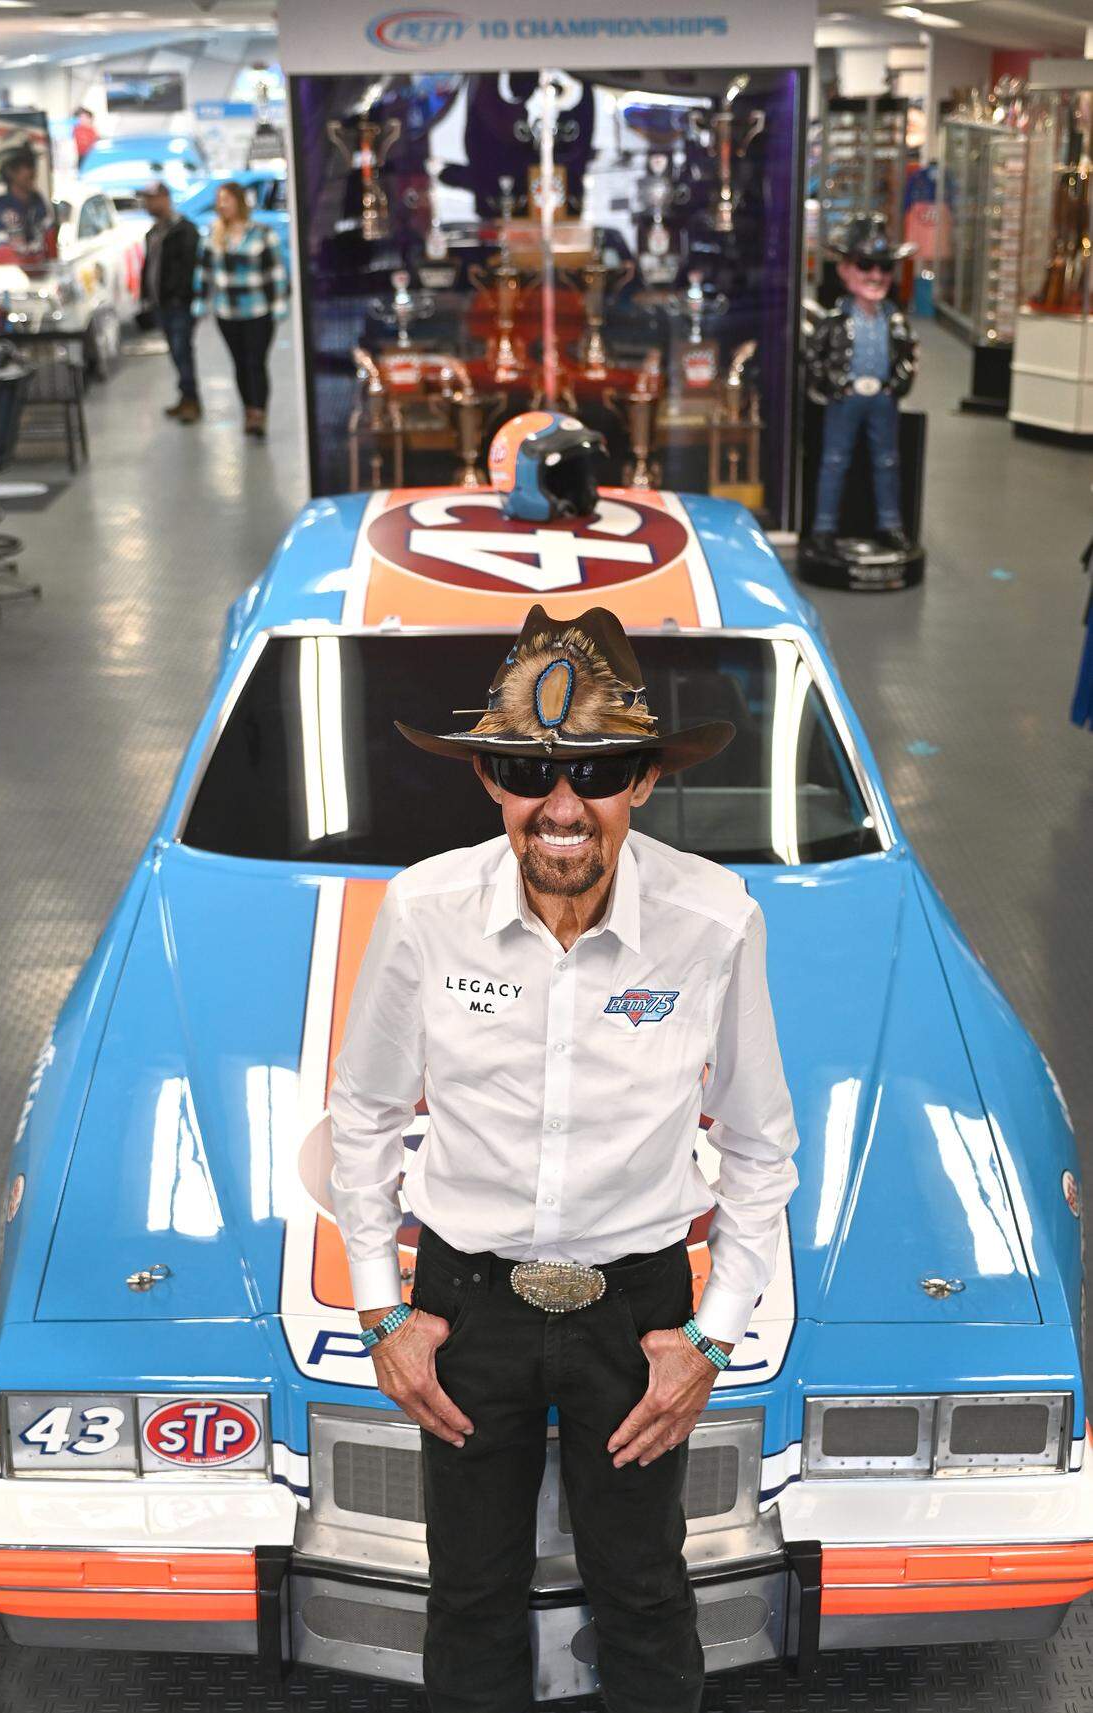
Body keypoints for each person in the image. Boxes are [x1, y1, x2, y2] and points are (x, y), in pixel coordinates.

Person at [325, 424, 800, 1713]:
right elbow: (364, 1115)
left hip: (635, 1308)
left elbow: (759, 1145)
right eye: (533, 775)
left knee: (647, 1600)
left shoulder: (716, 924)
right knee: (468, 1601)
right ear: (490, 777)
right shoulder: (422, 912)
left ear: (644, 778)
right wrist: (383, 1307)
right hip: (464, 1304)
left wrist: (710, 1332)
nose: (563, 808)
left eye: (593, 772)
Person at [806, 212, 916, 554]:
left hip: (881, 399)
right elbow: (815, 356)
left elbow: (907, 357)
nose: (875, 275)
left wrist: (895, 384)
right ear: (845, 269)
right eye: (866, 266)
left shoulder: (894, 321)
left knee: (887, 462)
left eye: (884, 268)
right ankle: (824, 527)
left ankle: (890, 524)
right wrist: (835, 384)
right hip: (847, 398)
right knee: (834, 461)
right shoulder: (835, 321)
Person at [190, 180, 288, 439]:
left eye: (228, 198)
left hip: (258, 311)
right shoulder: (213, 235)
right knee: (240, 363)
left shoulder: (262, 233)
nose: (223, 204)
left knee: (256, 361)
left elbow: (276, 271)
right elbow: (204, 272)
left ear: (239, 202)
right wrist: (201, 302)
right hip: (227, 312)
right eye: (220, 199)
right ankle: (248, 408)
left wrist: (279, 304)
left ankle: (258, 412)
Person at [139, 180, 202, 425]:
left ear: (165, 199)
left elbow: (188, 268)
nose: (148, 204)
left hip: (179, 304)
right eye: (146, 199)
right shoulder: (153, 233)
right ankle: (185, 396)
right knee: (175, 353)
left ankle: (191, 400)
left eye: (152, 199)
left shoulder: (184, 230)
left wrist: (179, 295)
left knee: (181, 350)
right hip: (160, 304)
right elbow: (151, 267)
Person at [0, 137, 57, 266]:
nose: (33, 171)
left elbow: (51, 245)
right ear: (10, 172)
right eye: (26, 165)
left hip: (44, 279)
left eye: (33, 164)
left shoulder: (38, 201)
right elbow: (2, 259)